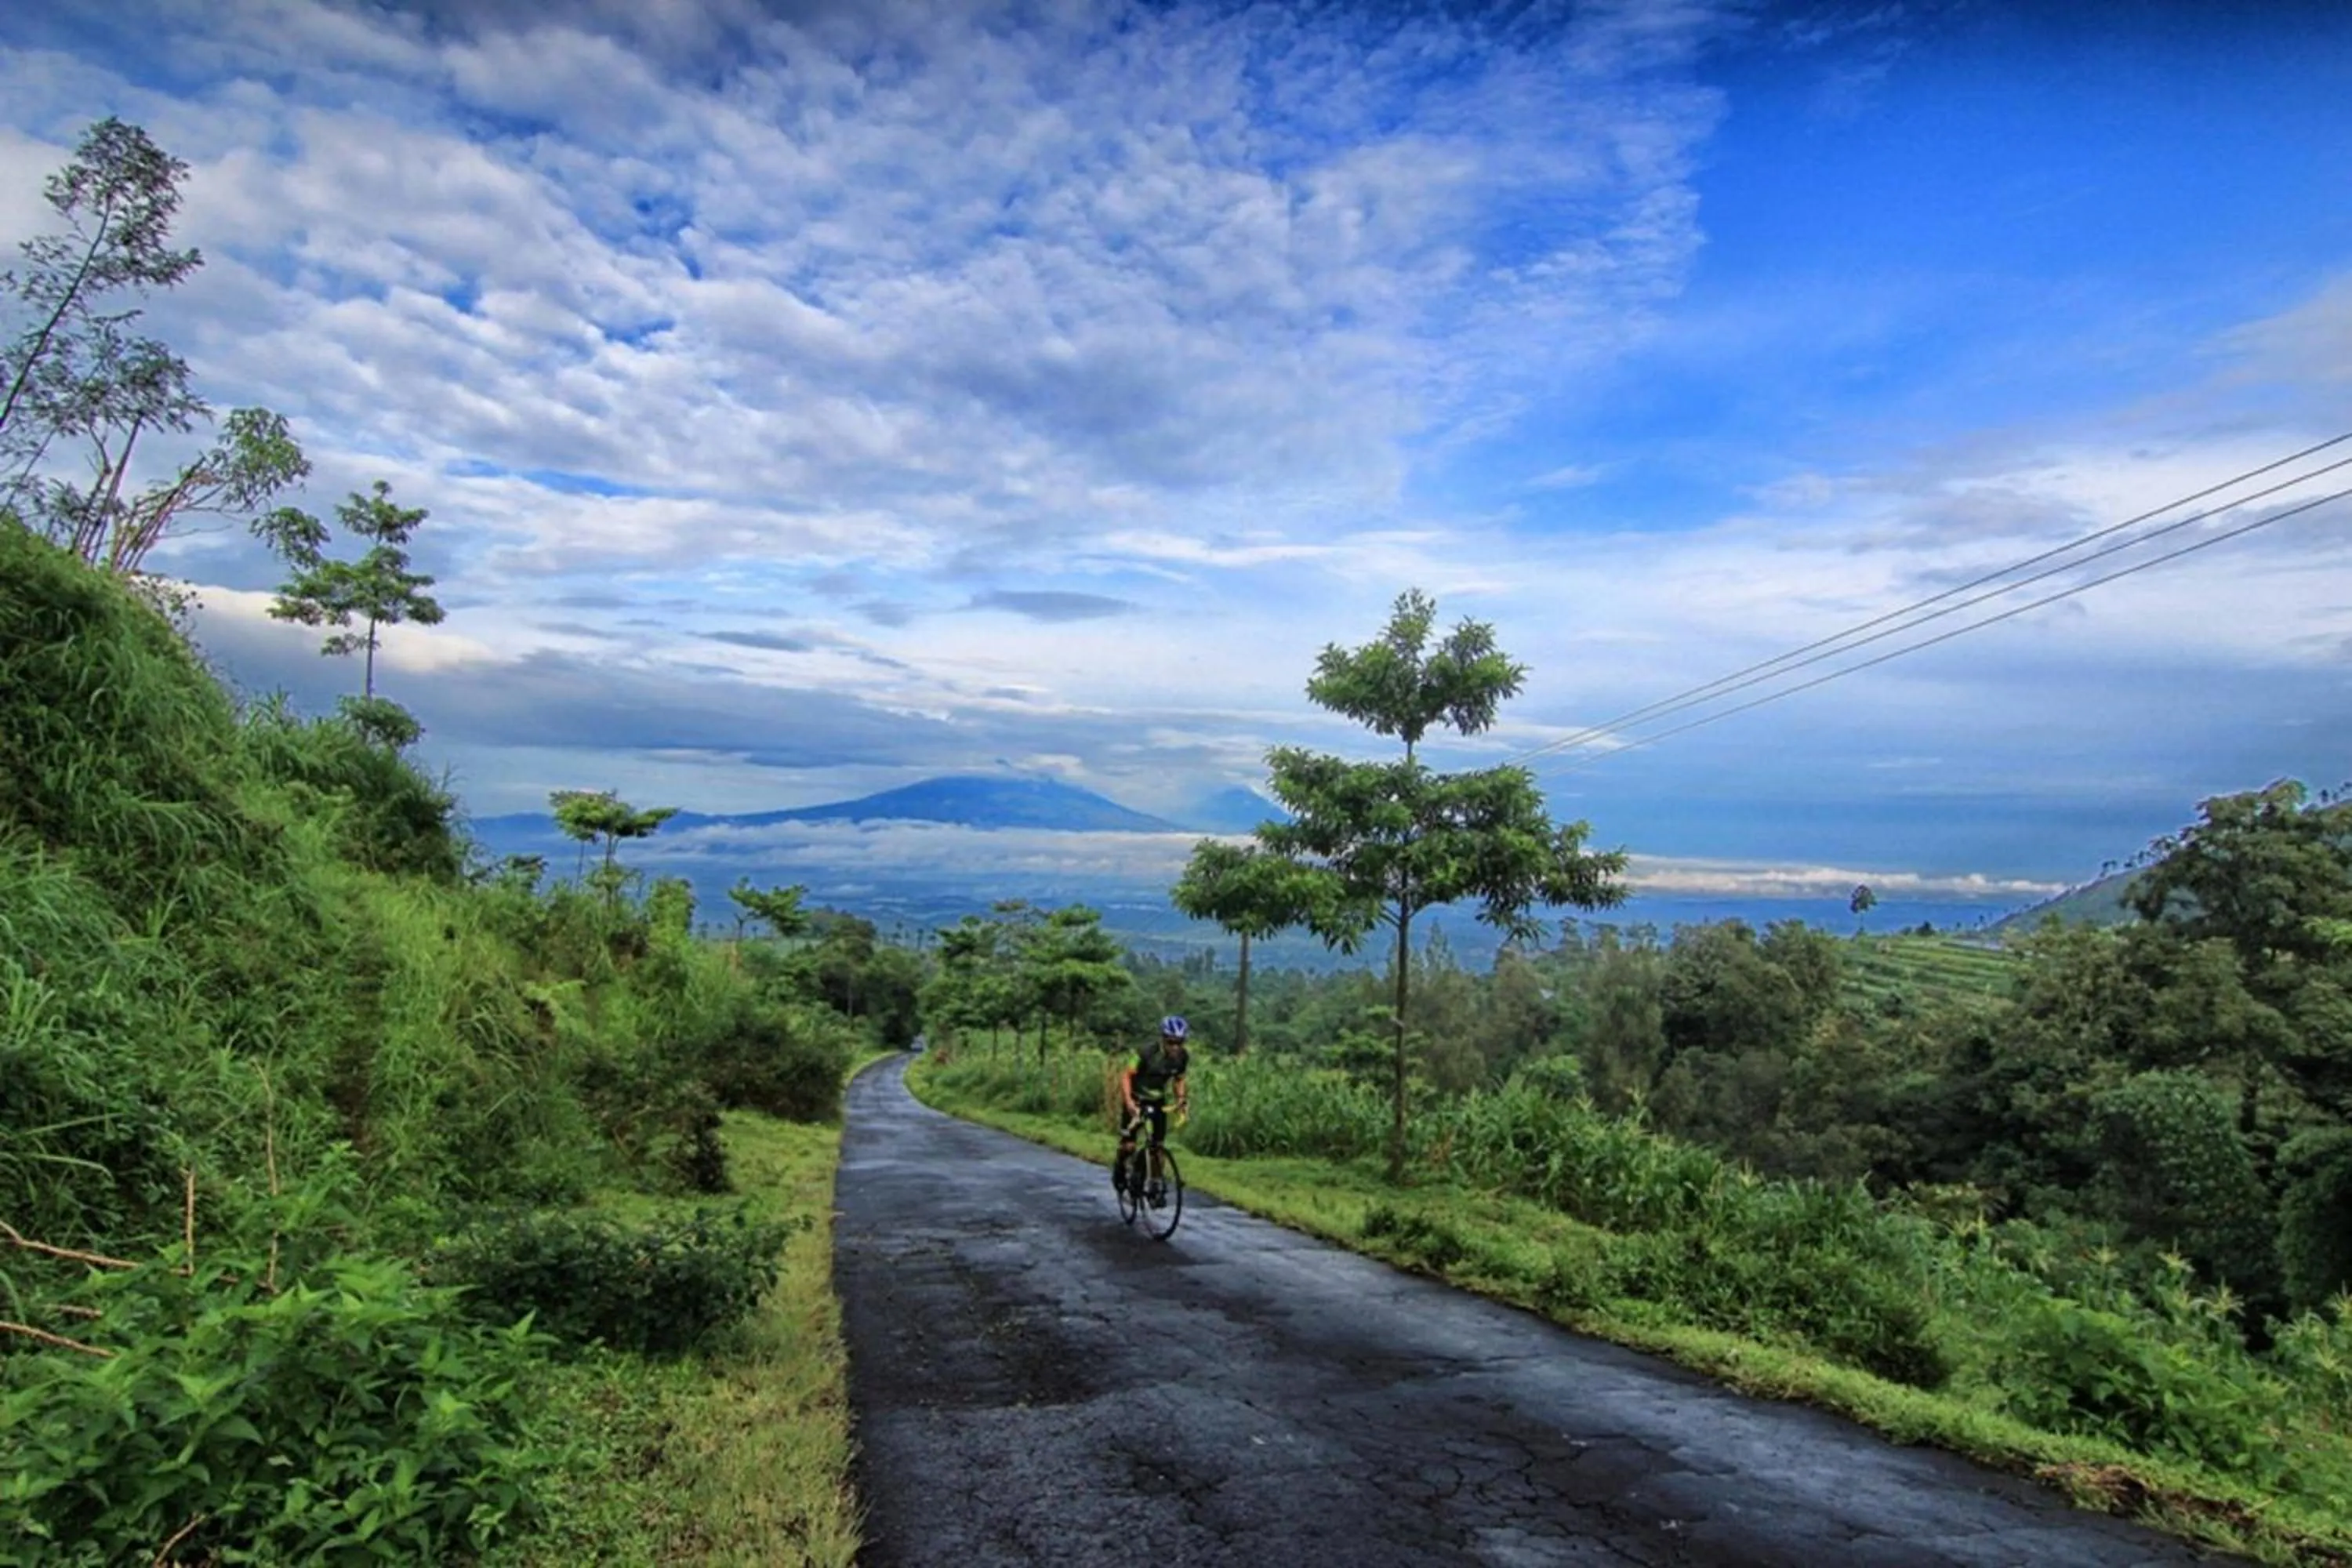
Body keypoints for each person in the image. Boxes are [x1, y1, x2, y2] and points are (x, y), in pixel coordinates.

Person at [1116, 1015, 1191, 1198]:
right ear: (1163, 1039)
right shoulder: (1146, 1052)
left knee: (1157, 1147)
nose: (1175, 1047)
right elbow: (1127, 1075)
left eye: (1179, 1043)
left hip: (1157, 1101)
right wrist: (1129, 1102)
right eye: (1171, 1042)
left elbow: (1179, 1079)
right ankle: (1120, 1170)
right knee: (1129, 1146)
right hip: (1136, 1098)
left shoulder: (1182, 1057)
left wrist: (1181, 1099)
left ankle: (1155, 1183)